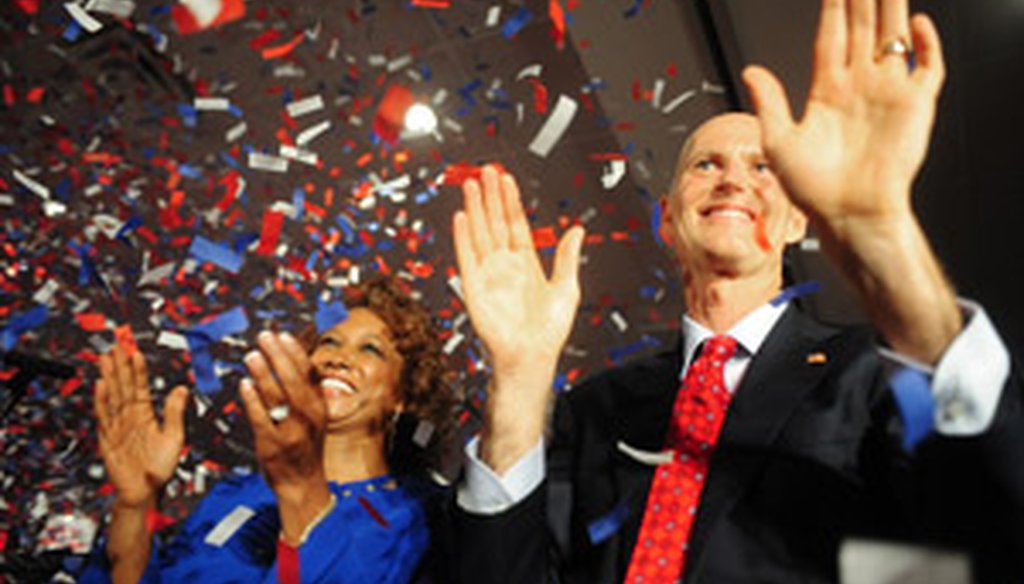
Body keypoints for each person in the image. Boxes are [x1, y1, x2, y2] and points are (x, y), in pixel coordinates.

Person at [448, 0, 1023, 582]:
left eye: (765, 168)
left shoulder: (869, 374)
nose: (733, 180)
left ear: (799, 220)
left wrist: (883, 235)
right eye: (706, 165)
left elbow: (989, 509)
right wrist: (519, 384)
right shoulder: (594, 410)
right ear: (667, 222)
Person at [81, 277, 455, 584]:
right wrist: (137, 501)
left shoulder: (417, 514)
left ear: (403, 394)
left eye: (370, 350)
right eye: (329, 342)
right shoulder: (236, 493)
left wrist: (301, 493)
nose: (339, 358)